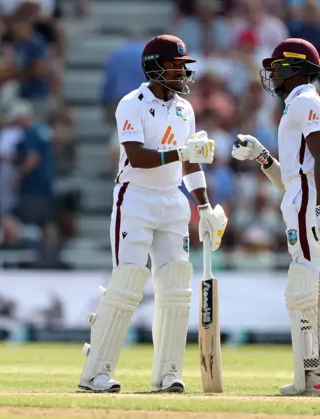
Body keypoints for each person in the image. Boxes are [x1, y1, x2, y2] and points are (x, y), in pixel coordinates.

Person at [77, 35, 228, 394]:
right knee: (128, 281)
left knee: (176, 288)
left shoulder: (185, 109)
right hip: (136, 199)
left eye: (183, 66)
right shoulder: (131, 104)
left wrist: (203, 207)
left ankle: (168, 373)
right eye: (175, 66)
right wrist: (180, 150)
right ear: (154, 67)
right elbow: (137, 157)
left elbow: (190, 162)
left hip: (173, 201)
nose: (181, 72)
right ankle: (95, 373)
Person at [231, 38, 320, 396]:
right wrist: (262, 156)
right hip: (305, 197)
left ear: (295, 69)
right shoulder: (296, 104)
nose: (272, 74)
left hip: (312, 200)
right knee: (310, 290)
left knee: (306, 290)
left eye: (278, 67)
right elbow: (293, 176)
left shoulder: (306, 100)